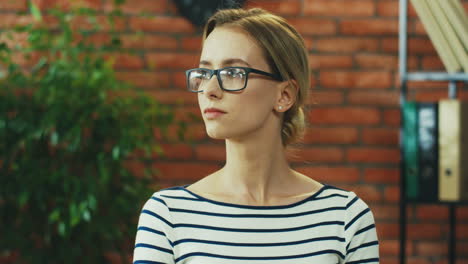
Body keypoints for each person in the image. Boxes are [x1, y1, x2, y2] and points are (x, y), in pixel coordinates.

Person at [133, 7, 379, 264]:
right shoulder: (167, 215)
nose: (210, 90)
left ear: (284, 95)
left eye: (233, 73)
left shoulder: (345, 217)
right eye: (204, 73)